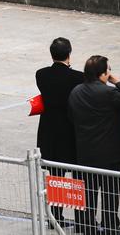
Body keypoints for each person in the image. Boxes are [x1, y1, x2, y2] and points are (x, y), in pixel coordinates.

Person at [68, 55, 120, 235]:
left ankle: (88, 226)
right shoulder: (109, 93)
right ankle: (110, 226)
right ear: (103, 74)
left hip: (86, 152)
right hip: (110, 154)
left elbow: (71, 117)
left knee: (88, 193)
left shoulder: (76, 92)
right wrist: (118, 81)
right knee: (111, 193)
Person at [35, 37, 84, 228]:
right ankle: (81, 218)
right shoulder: (77, 77)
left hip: (50, 130)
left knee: (56, 176)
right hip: (70, 130)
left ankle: (55, 217)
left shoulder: (41, 74)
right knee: (79, 175)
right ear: (69, 54)